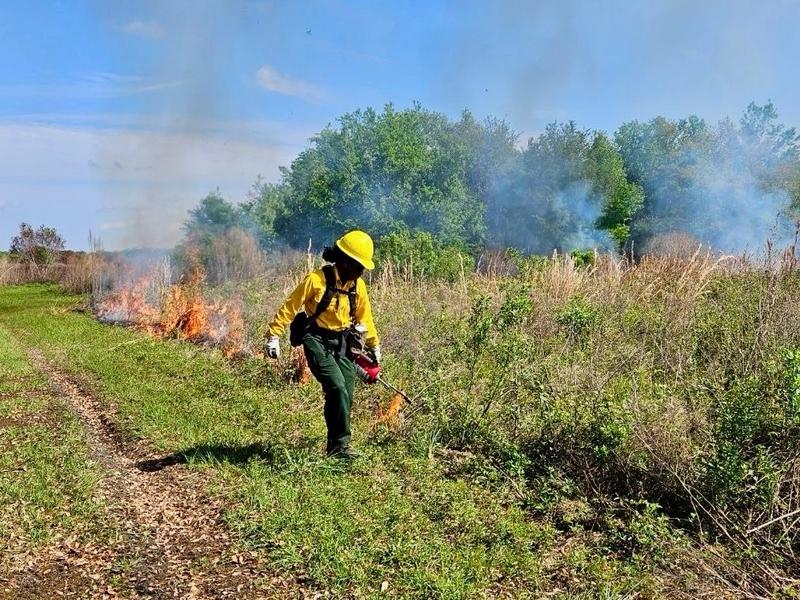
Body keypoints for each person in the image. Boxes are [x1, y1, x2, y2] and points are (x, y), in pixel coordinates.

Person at [264, 230, 381, 459]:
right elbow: (290, 306)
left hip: (342, 342)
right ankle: (339, 448)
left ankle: (339, 448)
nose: (362, 272)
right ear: (345, 262)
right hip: (316, 338)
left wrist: (374, 346)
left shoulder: (358, 286)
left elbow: (365, 318)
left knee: (345, 392)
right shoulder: (316, 280)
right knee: (336, 386)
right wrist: (273, 336)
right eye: (359, 267)